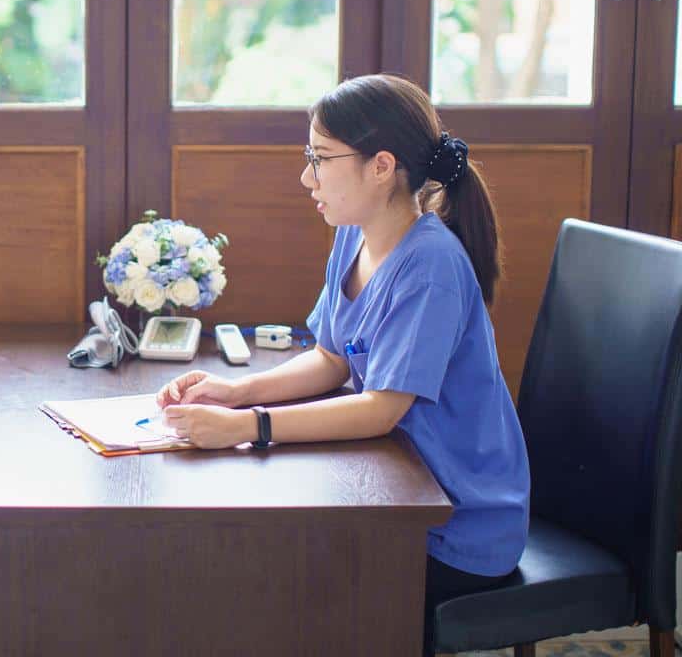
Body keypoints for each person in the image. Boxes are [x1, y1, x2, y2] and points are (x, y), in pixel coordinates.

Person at [155, 73, 530, 656]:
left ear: (381, 167)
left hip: (455, 527)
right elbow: (330, 359)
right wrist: (236, 391)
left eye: (320, 159)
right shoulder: (353, 236)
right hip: (394, 491)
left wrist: (250, 426)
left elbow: (381, 408)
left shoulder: (429, 265)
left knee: (277, 577)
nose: (307, 176)